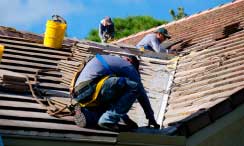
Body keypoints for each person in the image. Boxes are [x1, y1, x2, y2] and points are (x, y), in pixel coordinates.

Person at [73, 54, 160, 131]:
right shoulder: (128, 66)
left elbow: (118, 100)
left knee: (117, 89)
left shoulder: (109, 60)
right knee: (134, 86)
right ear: (129, 61)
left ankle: (88, 113)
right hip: (90, 89)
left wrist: (126, 120)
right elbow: (141, 93)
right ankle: (108, 121)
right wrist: (150, 117)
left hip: (81, 94)